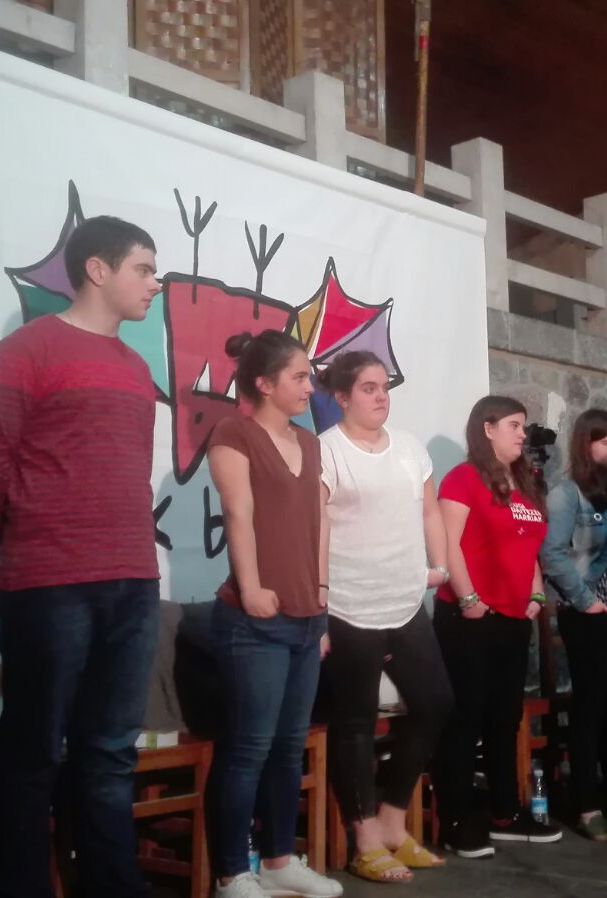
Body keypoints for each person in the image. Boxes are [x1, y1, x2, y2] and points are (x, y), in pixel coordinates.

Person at [0, 216, 164, 898]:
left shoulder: (137, 368)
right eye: (143, 268)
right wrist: (29, 536)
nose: (155, 283)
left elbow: (130, 470)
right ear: (98, 270)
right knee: (32, 752)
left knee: (111, 750)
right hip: (49, 581)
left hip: (133, 579)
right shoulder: (28, 348)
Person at [204, 329, 343, 898]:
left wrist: (321, 595)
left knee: (289, 748)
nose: (310, 387)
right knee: (249, 748)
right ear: (264, 384)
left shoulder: (309, 442)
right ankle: (231, 872)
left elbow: (320, 521)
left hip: (307, 619)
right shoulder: (234, 432)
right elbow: (238, 512)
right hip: (254, 621)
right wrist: (252, 587)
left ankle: (280, 860)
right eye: (300, 377)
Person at [317, 350, 453, 884]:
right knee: (354, 720)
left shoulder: (410, 448)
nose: (380, 397)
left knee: (436, 703)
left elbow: (429, 510)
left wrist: (439, 566)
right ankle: (365, 838)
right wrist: (320, 596)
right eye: (368, 388)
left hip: (404, 601)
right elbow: (316, 529)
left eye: (383, 387)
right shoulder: (327, 451)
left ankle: (394, 820)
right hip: (349, 604)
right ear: (342, 397)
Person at [432, 395, 559, 858]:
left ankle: (505, 813)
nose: (522, 434)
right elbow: (448, 543)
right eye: (513, 425)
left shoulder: (525, 484)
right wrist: (468, 599)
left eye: (523, 426)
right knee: (465, 720)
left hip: (513, 618)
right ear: (487, 429)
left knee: (505, 720)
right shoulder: (462, 478)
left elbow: (529, 548)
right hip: (469, 617)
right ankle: (456, 820)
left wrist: (537, 595)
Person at [540, 409, 607, 842]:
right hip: (590, 612)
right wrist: (586, 601)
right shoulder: (568, 495)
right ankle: (586, 804)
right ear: (586, 444)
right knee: (592, 707)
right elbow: (552, 554)